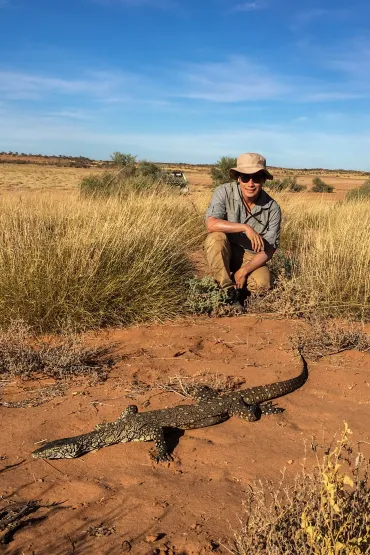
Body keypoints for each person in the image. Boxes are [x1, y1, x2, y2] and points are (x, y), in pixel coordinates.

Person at [205, 152, 281, 312]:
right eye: (245, 177)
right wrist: (245, 227)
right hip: (226, 250)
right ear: (238, 178)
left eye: (257, 178)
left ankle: (240, 287)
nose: (250, 183)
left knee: (262, 284)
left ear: (264, 180)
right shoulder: (223, 192)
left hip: (250, 257)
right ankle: (227, 292)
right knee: (215, 238)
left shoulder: (273, 208)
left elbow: (269, 249)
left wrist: (244, 271)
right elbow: (211, 224)